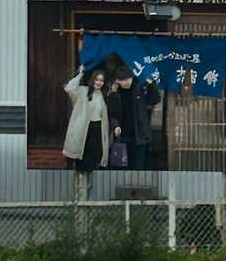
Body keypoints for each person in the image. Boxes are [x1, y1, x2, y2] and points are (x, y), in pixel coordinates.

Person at [62, 65, 110, 197]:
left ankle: (87, 198)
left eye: (101, 80)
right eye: (97, 79)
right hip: (84, 132)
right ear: (92, 79)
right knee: (81, 167)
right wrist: (80, 73)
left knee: (92, 166)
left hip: (97, 132)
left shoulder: (103, 95)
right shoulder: (82, 91)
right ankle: (79, 198)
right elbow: (69, 88)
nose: (99, 82)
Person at [107, 65, 161, 169]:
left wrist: (151, 85)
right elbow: (111, 114)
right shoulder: (115, 94)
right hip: (122, 136)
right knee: (120, 168)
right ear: (118, 81)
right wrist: (115, 126)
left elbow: (155, 99)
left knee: (138, 168)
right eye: (123, 80)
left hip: (139, 135)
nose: (127, 82)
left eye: (129, 79)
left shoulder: (140, 88)